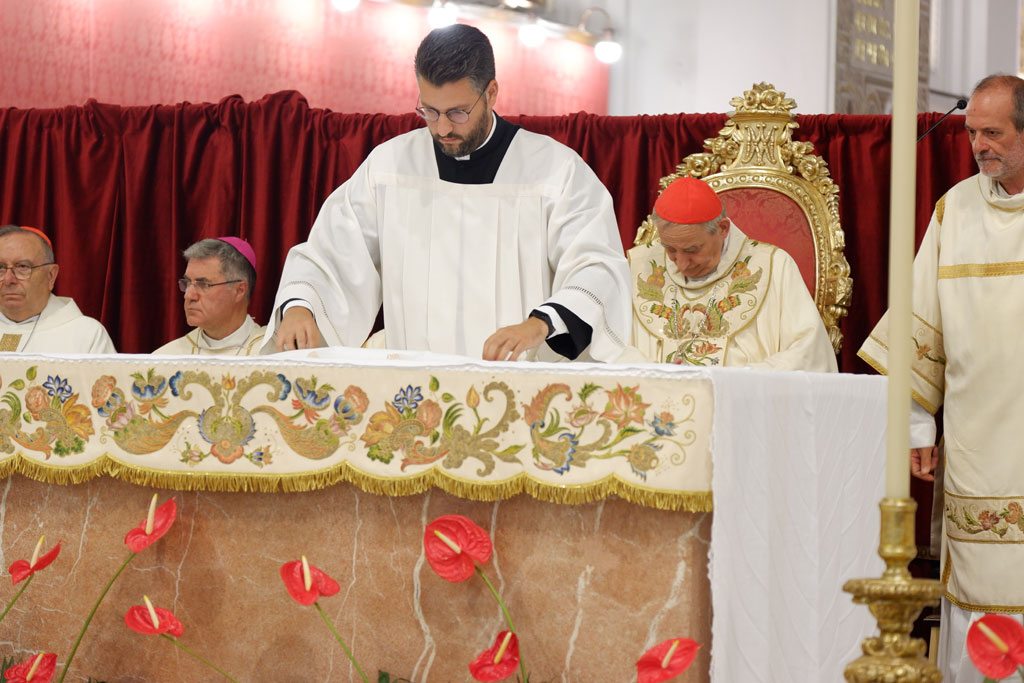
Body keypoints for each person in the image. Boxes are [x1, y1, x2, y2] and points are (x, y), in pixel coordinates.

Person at [265, 24, 630, 362]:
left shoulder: (555, 171)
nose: (441, 128)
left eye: (457, 112)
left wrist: (539, 324)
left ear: (491, 93)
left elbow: (596, 266)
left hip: (521, 386)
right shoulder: (391, 167)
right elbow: (332, 251)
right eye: (429, 111)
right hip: (416, 393)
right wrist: (303, 305)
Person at [858, 74, 1024, 682]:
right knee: (982, 587)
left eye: (994, 133)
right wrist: (917, 423)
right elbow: (918, 327)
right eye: (972, 132)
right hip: (981, 446)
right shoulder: (955, 210)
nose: (980, 145)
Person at [628, 176, 837, 371]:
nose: (681, 264)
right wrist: (651, 372)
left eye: (692, 250)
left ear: (722, 228)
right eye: (670, 250)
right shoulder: (637, 266)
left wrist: (734, 383)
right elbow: (609, 351)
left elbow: (808, 353)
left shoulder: (775, 266)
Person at [0, 225, 115, 354]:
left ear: (51, 276)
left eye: (22, 266)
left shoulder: (87, 335)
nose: (8, 279)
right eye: (0, 268)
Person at [154, 237, 266, 356]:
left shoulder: (273, 355)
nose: (188, 295)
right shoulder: (166, 359)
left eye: (202, 284)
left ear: (239, 290)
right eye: (187, 283)